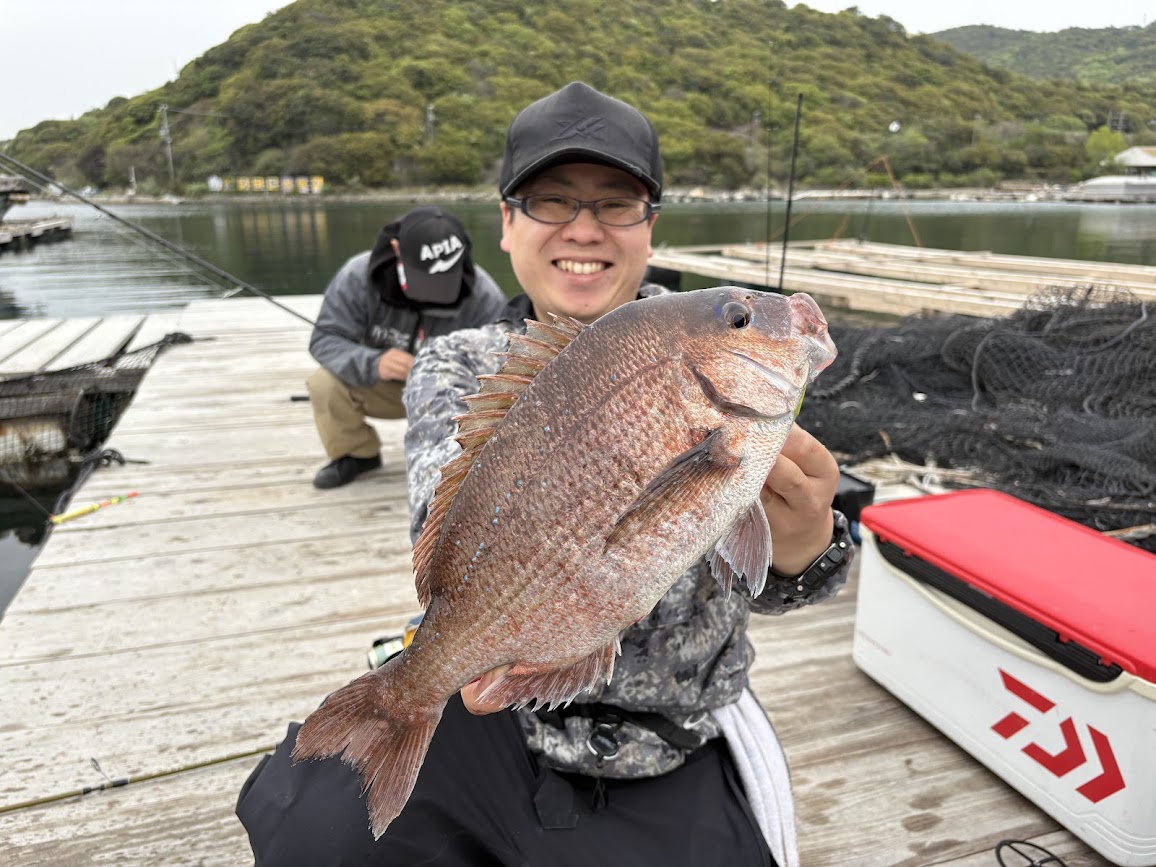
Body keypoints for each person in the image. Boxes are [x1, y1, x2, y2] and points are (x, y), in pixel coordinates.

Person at [237, 82, 853, 867]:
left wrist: (806, 542)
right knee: (313, 840)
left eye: (616, 203)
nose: (585, 229)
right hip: (492, 717)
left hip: (672, 741)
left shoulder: (724, 377)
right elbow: (448, 529)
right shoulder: (458, 362)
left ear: (649, 225)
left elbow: (786, 573)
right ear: (507, 223)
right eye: (552, 201)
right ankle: (398, 706)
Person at [305, 206, 506, 489]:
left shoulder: (483, 294)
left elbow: (503, 365)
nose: (431, 293)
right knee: (324, 384)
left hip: (452, 394)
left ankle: (467, 462)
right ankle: (357, 454)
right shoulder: (357, 276)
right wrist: (374, 362)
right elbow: (325, 340)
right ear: (397, 249)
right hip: (386, 385)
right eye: (425, 277)